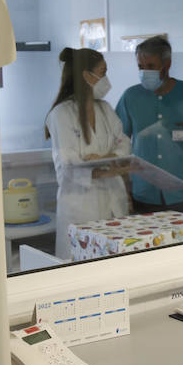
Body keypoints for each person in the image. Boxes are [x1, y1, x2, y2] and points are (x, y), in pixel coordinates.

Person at [115, 35, 183, 216]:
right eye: (140, 66)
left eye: (151, 66)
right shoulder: (130, 97)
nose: (144, 72)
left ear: (167, 65)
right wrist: (124, 190)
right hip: (143, 195)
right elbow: (119, 147)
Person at [45, 47, 131, 258]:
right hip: (81, 208)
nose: (106, 79)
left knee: (115, 270)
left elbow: (124, 145)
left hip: (113, 204)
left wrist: (103, 160)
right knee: (83, 270)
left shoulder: (105, 109)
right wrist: (111, 167)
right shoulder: (61, 114)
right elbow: (70, 165)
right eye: (102, 72)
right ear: (86, 75)